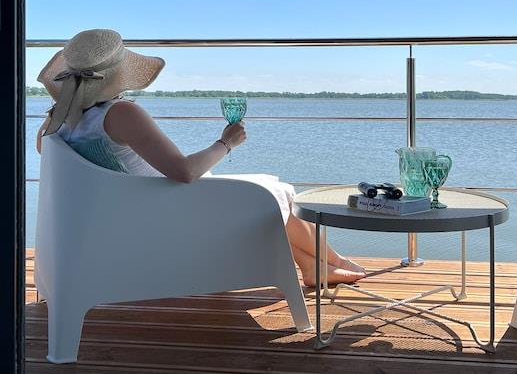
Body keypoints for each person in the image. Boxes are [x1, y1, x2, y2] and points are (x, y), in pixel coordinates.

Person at [36, 29, 365, 287]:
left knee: (265, 191)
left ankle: (315, 265)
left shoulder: (57, 120)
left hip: (122, 214)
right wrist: (226, 143)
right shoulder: (120, 113)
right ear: (117, 74)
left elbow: (50, 152)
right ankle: (330, 262)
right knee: (276, 193)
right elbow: (184, 171)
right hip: (164, 214)